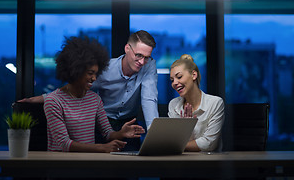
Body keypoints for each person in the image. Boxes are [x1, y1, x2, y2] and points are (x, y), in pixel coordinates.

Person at [19, 30, 159, 150]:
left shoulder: (148, 66)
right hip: (99, 124)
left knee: (130, 168)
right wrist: (44, 97)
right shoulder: (104, 69)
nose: (142, 62)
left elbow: (149, 100)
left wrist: (153, 136)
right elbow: (75, 85)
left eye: (146, 57)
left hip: (126, 123)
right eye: (139, 55)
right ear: (127, 48)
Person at [44, 36, 145, 153]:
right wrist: (102, 148)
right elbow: (63, 144)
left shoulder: (94, 99)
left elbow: (107, 133)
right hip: (61, 164)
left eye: (96, 73)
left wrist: (121, 133)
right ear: (75, 70)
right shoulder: (54, 101)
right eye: (90, 73)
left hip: (88, 163)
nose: (94, 78)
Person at [169, 54, 224, 152]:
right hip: (181, 162)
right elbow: (173, 141)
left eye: (179, 77)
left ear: (194, 75)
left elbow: (208, 144)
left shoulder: (215, 103)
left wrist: (177, 145)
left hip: (209, 163)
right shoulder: (173, 105)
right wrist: (185, 128)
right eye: (172, 80)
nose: (174, 83)